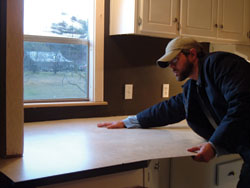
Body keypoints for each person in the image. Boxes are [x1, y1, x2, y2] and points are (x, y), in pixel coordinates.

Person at [97, 36, 250, 187]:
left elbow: (242, 104)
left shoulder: (220, 64)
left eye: (175, 60)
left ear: (192, 54)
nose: (171, 66)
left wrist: (214, 144)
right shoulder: (194, 86)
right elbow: (169, 109)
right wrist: (127, 122)